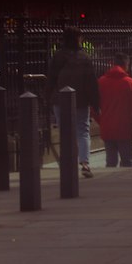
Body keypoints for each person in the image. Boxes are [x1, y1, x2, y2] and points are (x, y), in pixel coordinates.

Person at [46, 26, 100, 178]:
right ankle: (85, 163)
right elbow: (92, 83)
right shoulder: (84, 57)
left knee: (65, 132)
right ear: (77, 38)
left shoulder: (58, 56)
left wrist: (48, 97)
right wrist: (96, 103)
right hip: (81, 100)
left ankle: (68, 163)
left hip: (60, 100)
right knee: (83, 131)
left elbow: (51, 79)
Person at [97, 51, 132, 168]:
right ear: (126, 65)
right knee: (128, 160)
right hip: (124, 127)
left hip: (107, 126)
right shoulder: (129, 82)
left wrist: (101, 121)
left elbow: (94, 107)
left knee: (110, 161)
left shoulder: (101, 81)